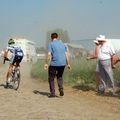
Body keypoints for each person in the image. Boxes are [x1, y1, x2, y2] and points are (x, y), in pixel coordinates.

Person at [44, 33, 71, 97]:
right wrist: (68, 64)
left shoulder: (50, 44)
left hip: (54, 64)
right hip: (62, 64)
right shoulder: (63, 44)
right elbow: (66, 55)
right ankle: (61, 89)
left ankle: (52, 93)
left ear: (51, 37)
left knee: (51, 78)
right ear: (57, 37)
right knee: (59, 76)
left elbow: (49, 54)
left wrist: (46, 63)